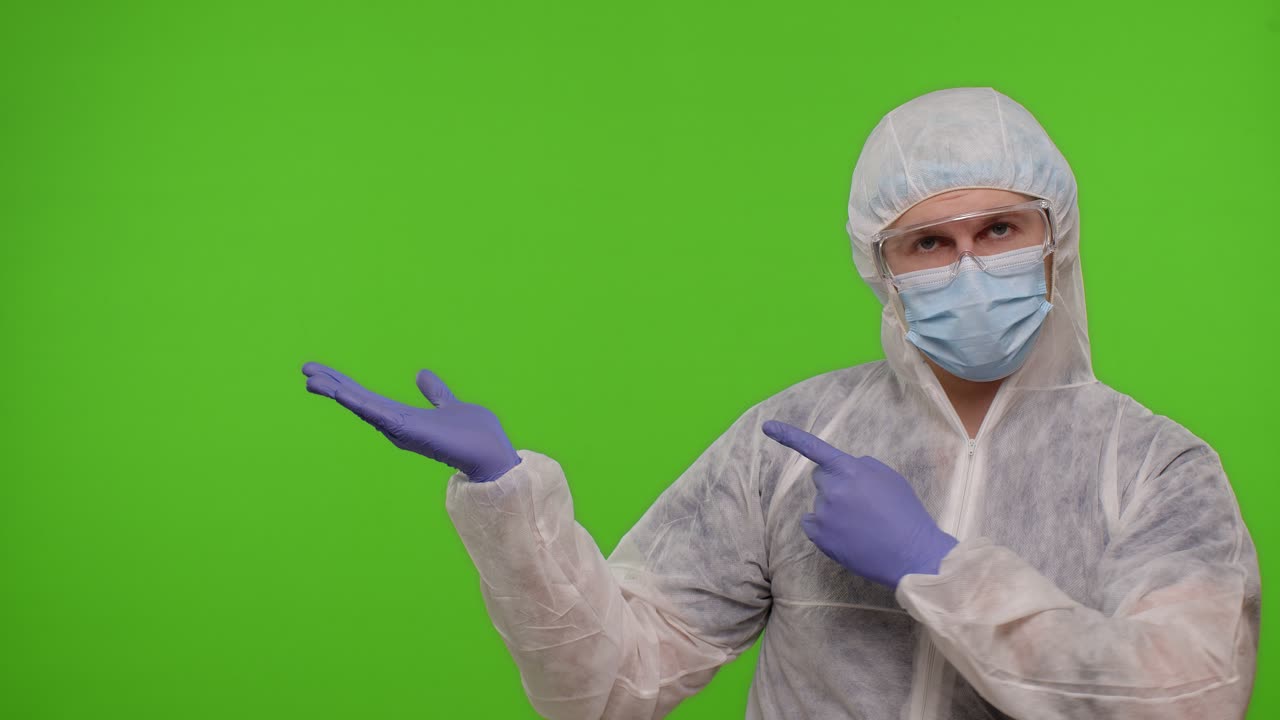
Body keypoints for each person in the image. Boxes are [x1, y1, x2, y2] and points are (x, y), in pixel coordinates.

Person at [300, 87, 1260, 719]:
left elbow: (1193, 696)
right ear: (879, 267)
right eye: (928, 243)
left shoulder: (1150, 466)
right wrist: (509, 497)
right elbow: (612, 683)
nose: (969, 263)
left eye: (1000, 228)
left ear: (1054, 240)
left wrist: (940, 566)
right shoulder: (797, 446)